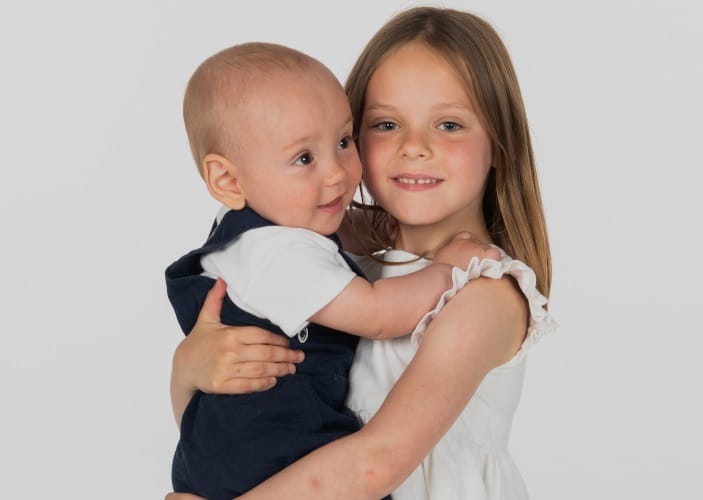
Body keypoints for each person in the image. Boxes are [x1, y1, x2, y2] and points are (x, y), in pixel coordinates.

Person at [167, 6, 557, 499]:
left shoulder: (484, 294)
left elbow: (375, 464)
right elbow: (237, 423)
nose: (415, 146)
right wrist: (188, 370)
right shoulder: (324, 255)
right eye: (387, 125)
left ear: (501, 143)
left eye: (450, 125)